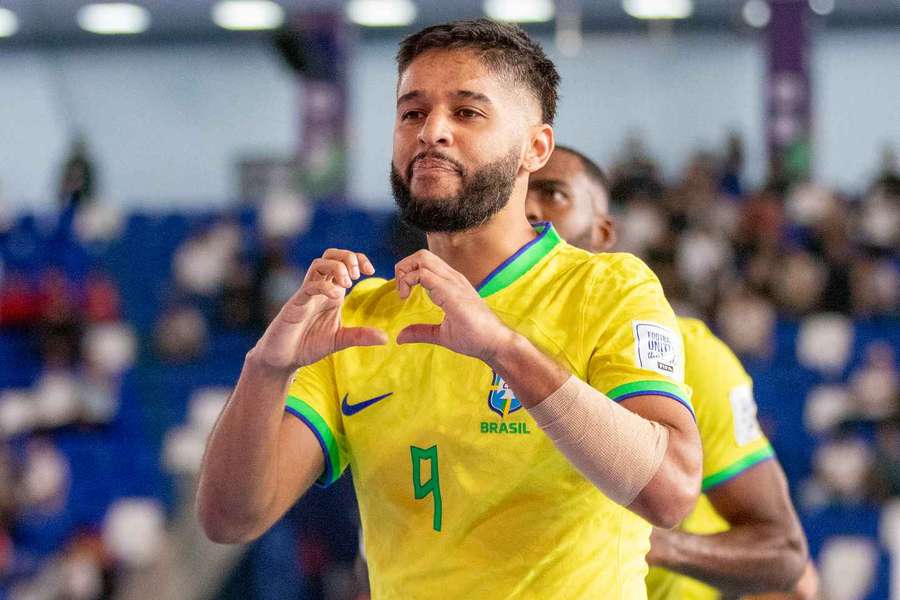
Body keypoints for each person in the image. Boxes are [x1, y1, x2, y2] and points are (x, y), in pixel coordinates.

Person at [198, 20, 702, 598]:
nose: (431, 131)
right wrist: (266, 369)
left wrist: (502, 347)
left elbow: (670, 492)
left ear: (535, 149)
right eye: (412, 113)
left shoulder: (608, 287)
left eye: (467, 113)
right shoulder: (356, 318)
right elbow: (230, 520)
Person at [525, 145, 819, 599]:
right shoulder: (458, 342)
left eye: (554, 195)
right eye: (515, 194)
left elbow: (785, 557)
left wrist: (650, 543)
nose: (527, 208)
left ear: (603, 232)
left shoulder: (686, 355)